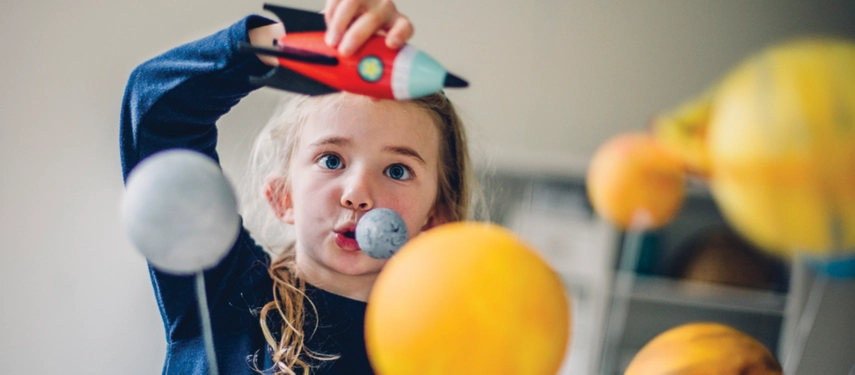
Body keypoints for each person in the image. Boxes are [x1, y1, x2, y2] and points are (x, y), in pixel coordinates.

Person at [119, 0, 476, 374]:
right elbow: (157, 112)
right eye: (331, 160)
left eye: (398, 170)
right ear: (283, 196)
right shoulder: (225, 292)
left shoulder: (441, 356)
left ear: (434, 221)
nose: (357, 194)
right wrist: (303, 42)